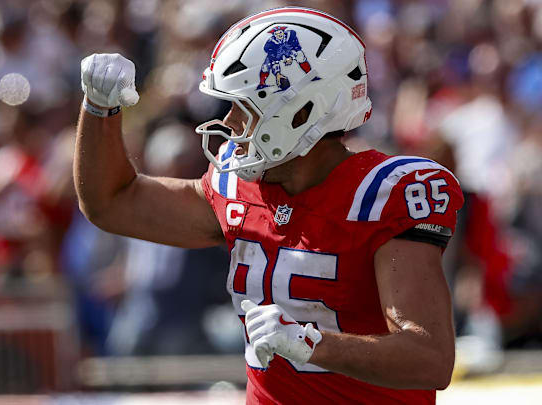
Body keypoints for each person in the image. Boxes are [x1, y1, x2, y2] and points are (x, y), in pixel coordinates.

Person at [75, 7, 463, 405]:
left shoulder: (383, 194)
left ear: (301, 111)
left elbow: (428, 358)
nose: (229, 122)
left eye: (243, 107)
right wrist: (99, 110)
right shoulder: (238, 188)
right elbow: (113, 203)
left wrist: (312, 343)